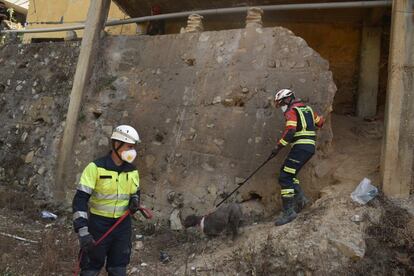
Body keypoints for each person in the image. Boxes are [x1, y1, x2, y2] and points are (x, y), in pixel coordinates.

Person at [72, 125, 142, 276]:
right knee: (90, 268)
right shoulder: (95, 168)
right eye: (129, 147)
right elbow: (80, 201)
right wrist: (83, 231)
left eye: (133, 147)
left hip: (122, 227)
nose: (132, 151)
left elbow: (135, 191)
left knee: (118, 269)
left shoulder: (132, 170)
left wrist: (135, 200)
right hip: (98, 225)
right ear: (117, 144)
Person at [271, 89, 324, 226]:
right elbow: (320, 122)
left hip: (300, 147)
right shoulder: (308, 109)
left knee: (284, 177)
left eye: (281, 102)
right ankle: (301, 200)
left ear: (288, 99)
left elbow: (290, 131)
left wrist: (278, 147)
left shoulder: (291, 111)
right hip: (309, 148)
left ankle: (289, 212)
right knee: (290, 173)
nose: (281, 106)